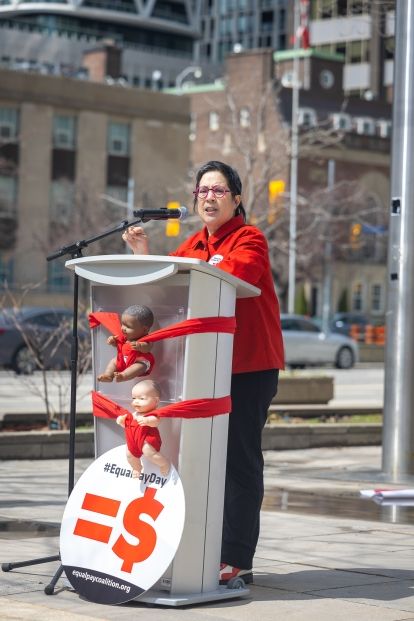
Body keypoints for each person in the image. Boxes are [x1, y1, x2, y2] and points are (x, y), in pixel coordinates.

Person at [122, 160, 284, 585]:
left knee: (238, 463)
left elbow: (237, 275)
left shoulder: (250, 238)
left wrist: (194, 268)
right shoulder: (192, 244)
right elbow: (167, 284)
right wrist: (144, 256)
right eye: (202, 191)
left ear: (236, 198)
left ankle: (236, 559)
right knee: (194, 460)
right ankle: (193, 544)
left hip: (247, 367)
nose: (208, 197)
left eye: (217, 190)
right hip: (201, 369)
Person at [116, 379, 170, 477]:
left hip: (148, 439)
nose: (136, 402)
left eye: (141, 399)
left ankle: (164, 463)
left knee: (148, 452)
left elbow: (156, 422)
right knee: (129, 454)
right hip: (134, 440)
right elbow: (130, 426)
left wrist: (147, 421)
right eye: (134, 398)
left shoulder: (153, 413)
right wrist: (122, 421)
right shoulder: (134, 414)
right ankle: (136, 468)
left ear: (156, 401)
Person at [97, 304, 155, 383]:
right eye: (123, 324)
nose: (123, 328)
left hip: (140, 361)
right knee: (113, 361)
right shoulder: (124, 337)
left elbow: (148, 347)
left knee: (139, 366)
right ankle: (108, 375)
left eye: (128, 326)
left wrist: (140, 346)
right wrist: (113, 341)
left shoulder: (146, 339)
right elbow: (119, 346)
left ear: (144, 329)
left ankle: (123, 376)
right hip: (124, 361)